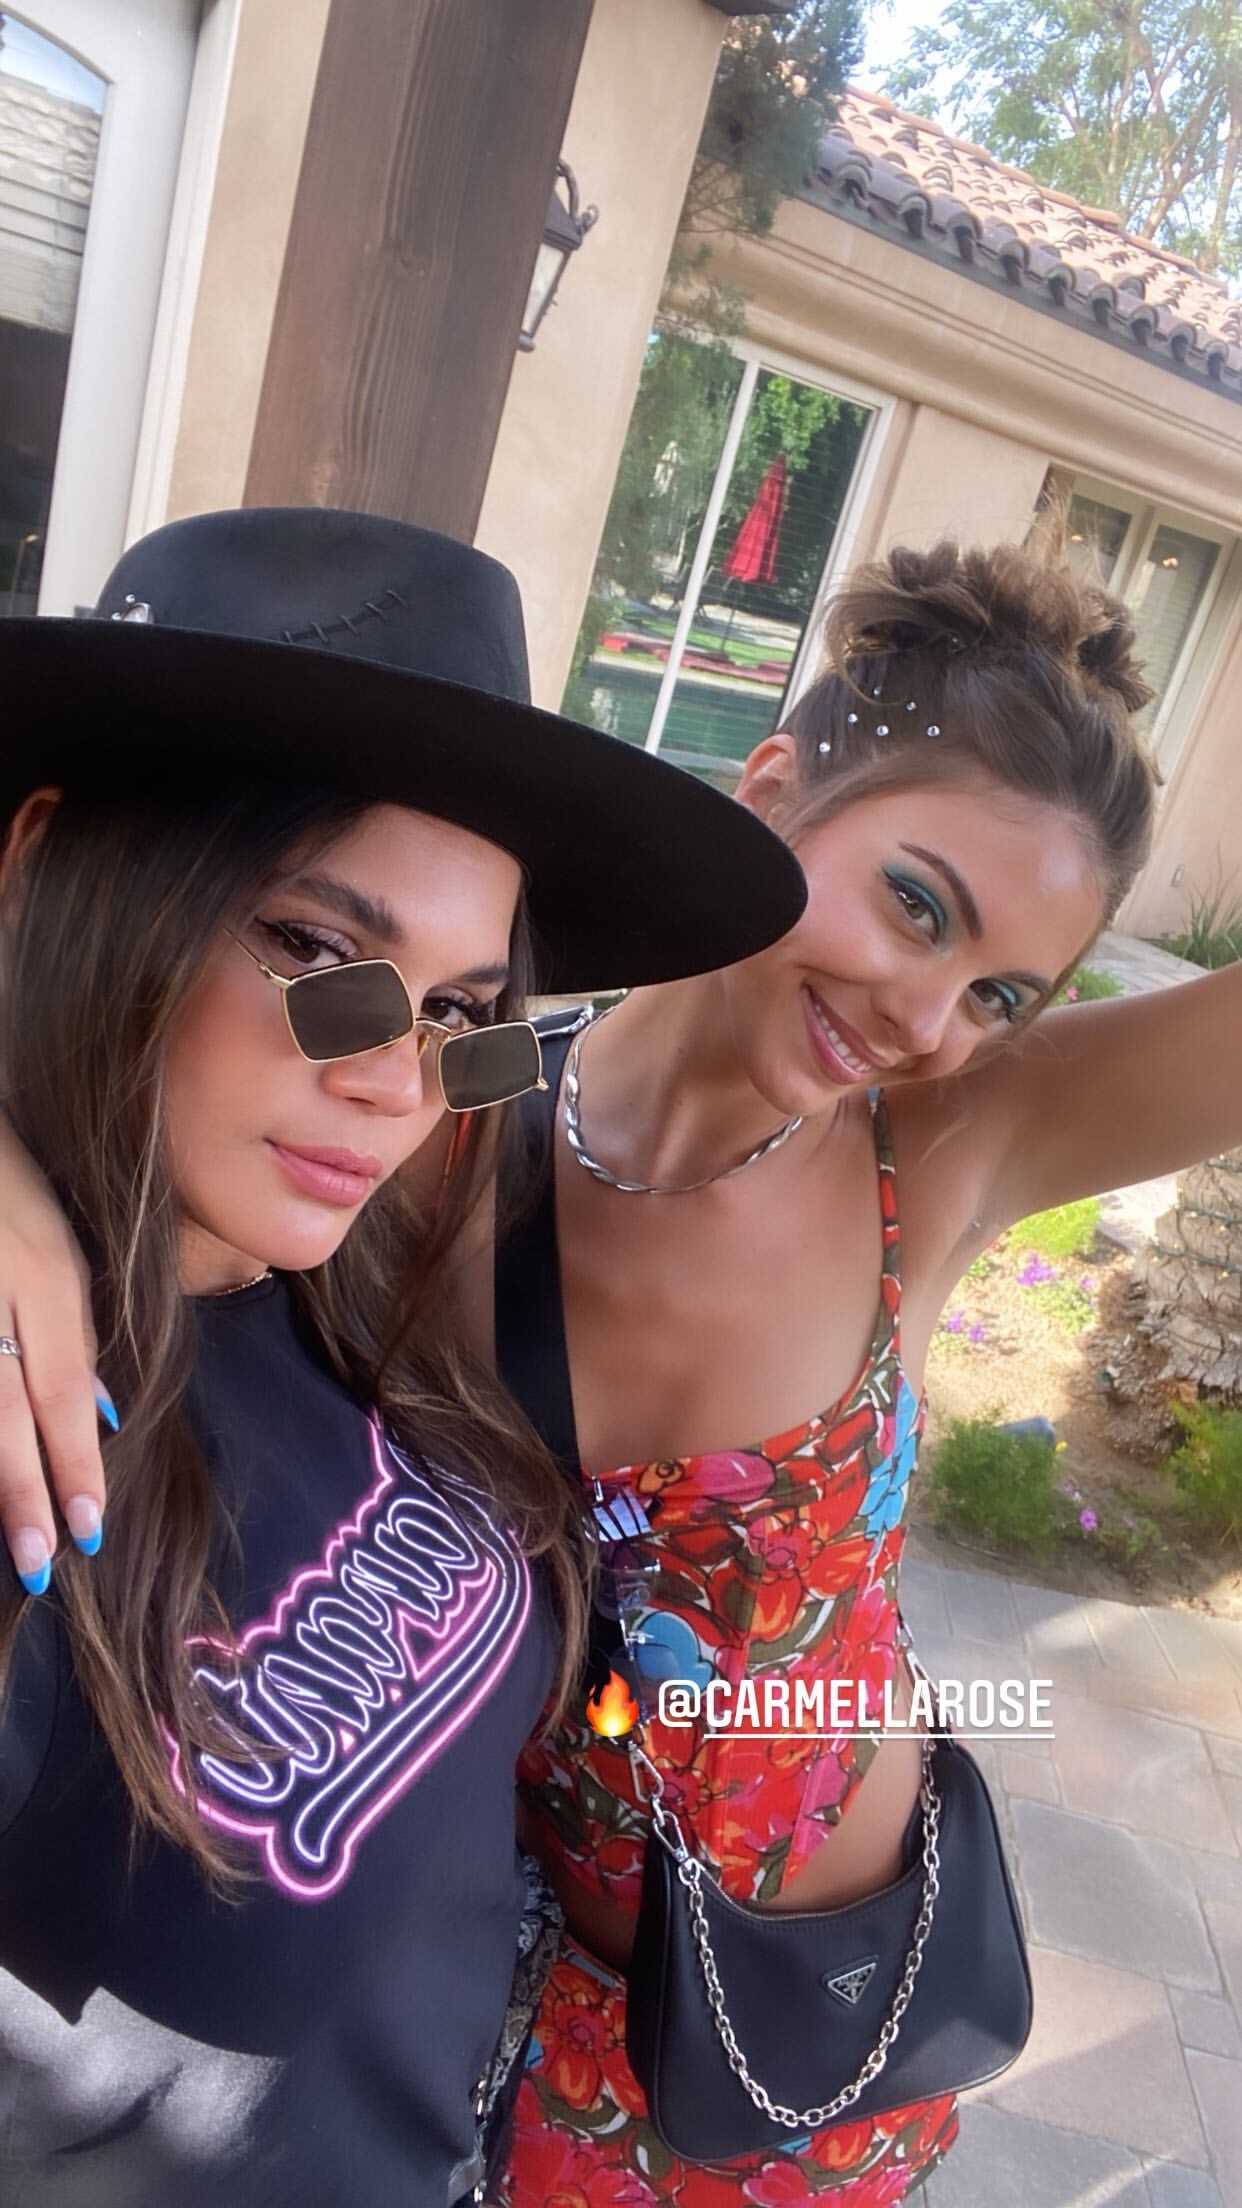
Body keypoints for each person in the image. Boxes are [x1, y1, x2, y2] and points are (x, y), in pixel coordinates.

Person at [9, 531, 1242, 2202]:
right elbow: (113, 1020)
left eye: (998, 991)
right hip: (520, 2017)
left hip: (829, 2024)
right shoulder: (435, 1124)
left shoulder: (940, 1142)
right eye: (913, 904)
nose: (924, 1017)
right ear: (774, 788)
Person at [0, 504, 804, 2208]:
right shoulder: (28, 1418)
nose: (394, 1082)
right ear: (44, 859)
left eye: (458, 1012)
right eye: (317, 952)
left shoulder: (337, 1282)